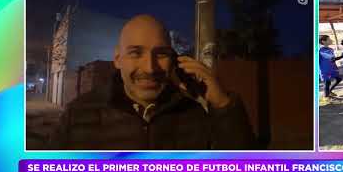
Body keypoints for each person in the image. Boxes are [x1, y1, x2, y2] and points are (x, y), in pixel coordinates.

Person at [48, 14, 255, 150]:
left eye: (161, 54)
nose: (150, 67)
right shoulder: (77, 116)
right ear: (118, 59)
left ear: (175, 61)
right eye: (136, 53)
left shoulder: (195, 114)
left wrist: (222, 105)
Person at [319, 35, 343, 102]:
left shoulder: (330, 49)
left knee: (339, 79)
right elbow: (331, 58)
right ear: (323, 41)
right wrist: (342, 56)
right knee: (327, 82)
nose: (331, 40)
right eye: (329, 39)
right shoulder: (321, 50)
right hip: (325, 69)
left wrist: (341, 56)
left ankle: (329, 91)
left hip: (332, 68)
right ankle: (326, 96)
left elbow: (333, 59)